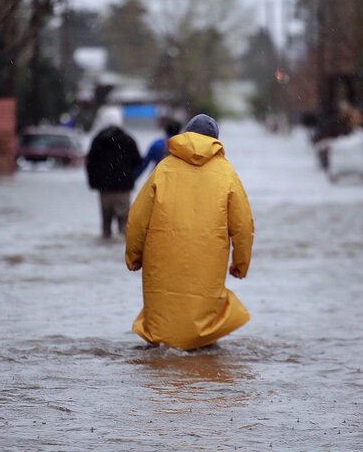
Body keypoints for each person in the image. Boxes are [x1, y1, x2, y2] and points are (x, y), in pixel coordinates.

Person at [125, 114, 254, 350]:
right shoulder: (226, 174)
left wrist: (134, 256)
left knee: (163, 315)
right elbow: (243, 225)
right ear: (215, 140)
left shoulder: (163, 169)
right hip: (208, 259)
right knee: (204, 314)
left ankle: (160, 363)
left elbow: (137, 219)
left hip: (163, 258)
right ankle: (200, 356)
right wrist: (240, 263)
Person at [85, 108, 141, 239]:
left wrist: (94, 183)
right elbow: (138, 162)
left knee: (106, 228)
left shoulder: (97, 140)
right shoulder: (128, 140)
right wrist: (130, 178)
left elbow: (90, 164)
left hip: (104, 190)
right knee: (124, 229)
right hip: (123, 190)